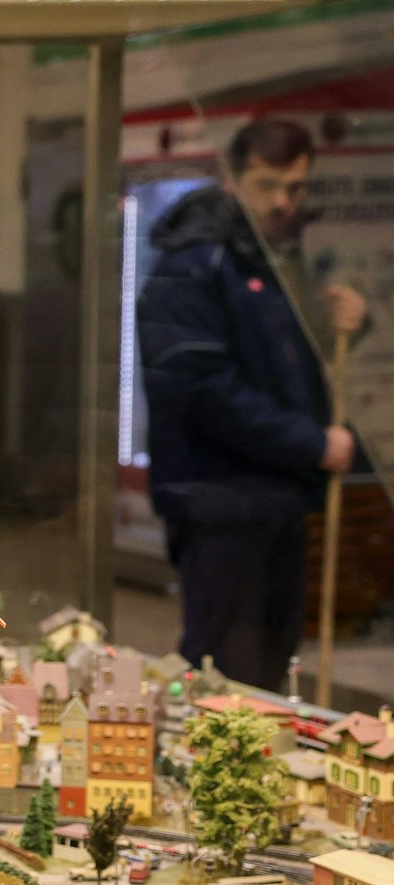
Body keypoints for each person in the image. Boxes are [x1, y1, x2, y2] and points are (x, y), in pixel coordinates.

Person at [140, 118, 367, 691]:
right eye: (268, 185)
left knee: (265, 670)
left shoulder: (268, 261)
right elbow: (199, 389)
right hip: (220, 501)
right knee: (227, 676)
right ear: (232, 178)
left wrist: (341, 323)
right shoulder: (192, 266)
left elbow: (279, 363)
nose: (283, 202)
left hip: (273, 497)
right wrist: (312, 443)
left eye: (295, 188)